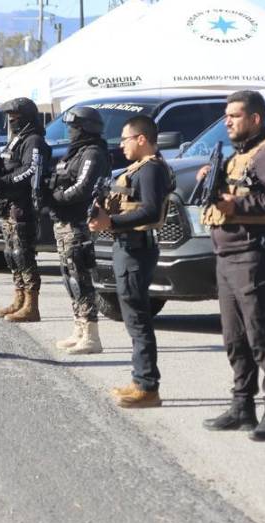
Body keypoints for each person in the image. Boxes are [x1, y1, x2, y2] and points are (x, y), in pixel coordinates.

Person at [198, 90, 265, 442]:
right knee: (234, 337)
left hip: (253, 255)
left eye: (235, 116)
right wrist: (212, 181)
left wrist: (236, 205)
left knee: (262, 336)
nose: (228, 121)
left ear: (255, 119)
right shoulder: (237, 156)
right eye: (226, 116)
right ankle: (242, 407)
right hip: (227, 254)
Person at [89, 115, 173, 408]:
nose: (121, 145)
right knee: (133, 317)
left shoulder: (150, 170)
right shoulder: (140, 169)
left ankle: (147, 387)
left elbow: (150, 212)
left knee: (137, 319)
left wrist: (110, 221)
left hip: (137, 250)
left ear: (141, 139)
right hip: (128, 247)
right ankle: (140, 380)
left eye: (125, 139)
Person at [49, 106, 111, 355]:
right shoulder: (75, 153)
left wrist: (56, 197)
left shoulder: (93, 153)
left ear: (84, 128)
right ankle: (79, 328)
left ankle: (92, 336)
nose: (70, 132)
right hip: (64, 222)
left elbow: (84, 188)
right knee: (68, 276)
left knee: (80, 276)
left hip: (79, 224)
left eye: (74, 127)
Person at [0, 97, 50, 322]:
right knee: (12, 254)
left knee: (24, 255)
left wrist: (5, 181)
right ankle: (19, 299)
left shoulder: (34, 141)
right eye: (10, 118)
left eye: (16, 118)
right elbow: (8, 164)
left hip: (23, 206)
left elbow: (30, 170)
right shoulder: (16, 140)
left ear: (27, 118)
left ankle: (31, 306)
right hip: (8, 206)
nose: (12, 121)